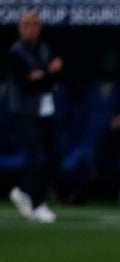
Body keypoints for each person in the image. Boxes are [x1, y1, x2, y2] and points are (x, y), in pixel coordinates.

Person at [6, 10, 62, 223]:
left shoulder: (45, 48)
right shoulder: (16, 53)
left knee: (55, 153)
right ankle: (36, 202)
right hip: (24, 110)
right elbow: (26, 82)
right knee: (38, 155)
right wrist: (47, 73)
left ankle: (24, 192)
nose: (31, 28)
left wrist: (42, 75)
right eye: (27, 24)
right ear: (20, 29)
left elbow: (52, 76)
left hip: (45, 108)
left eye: (35, 24)